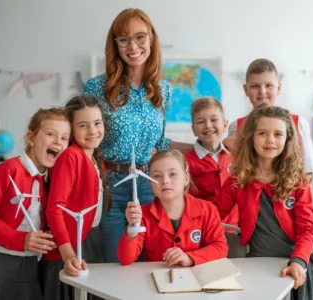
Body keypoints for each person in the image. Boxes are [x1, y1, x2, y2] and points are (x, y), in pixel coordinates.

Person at [83, 8, 191, 262]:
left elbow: (160, 143)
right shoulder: (96, 87)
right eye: (124, 39)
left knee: (150, 261)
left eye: (140, 37)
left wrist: (204, 147)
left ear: (151, 39)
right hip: (109, 184)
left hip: (148, 184)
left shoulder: (162, 89)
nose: (133, 46)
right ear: (116, 45)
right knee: (115, 263)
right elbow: (82, 138)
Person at [217, 105, 313, 299]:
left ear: (287, 140)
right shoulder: (238, 180)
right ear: (251, 137)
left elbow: (307, 229)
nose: (270, 140)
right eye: (263, 133)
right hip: (257, 265)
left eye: (278, 134)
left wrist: (298, 261)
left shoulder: (298, 181)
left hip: (296, 264)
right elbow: (212, 215)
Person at [0, 108, 70, 300]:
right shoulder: (6, 170)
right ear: (31, 138)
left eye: (64, 138)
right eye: (51, 134)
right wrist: (20, 239)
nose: (58, 142)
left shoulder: (47, 181)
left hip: (27, 263)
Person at [225, 59, 313, 244]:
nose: (262, 91)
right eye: (255, 86)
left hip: (291, 212)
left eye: (268, 85)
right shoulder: (236, 127)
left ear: (278, 88)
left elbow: (311, 173)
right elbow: (236, 177)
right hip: (255, 219)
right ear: (246, 89)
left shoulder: (297, 123)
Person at [39, 95, 109, 300]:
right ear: (71, 129)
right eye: (83, 125)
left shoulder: (95, 157)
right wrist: (68, 253)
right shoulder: (71, 156)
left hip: (90, 237)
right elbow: (54, 208)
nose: (93, 131)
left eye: (97, 123)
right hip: (70, 243)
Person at [117, 149, 228, 266]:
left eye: (173, 174)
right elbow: (125, 259)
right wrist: (132, 227)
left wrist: (190, 258)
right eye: (157, 176)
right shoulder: (143, 214)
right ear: (150, 183)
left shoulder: (207, 209)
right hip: (157, 278)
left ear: (186, 178)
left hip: (194, 277)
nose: (165, 181)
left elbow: (220, 247)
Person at [184, 97, 238, 228]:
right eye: (201, 122)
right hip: (203, 228)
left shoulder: (235, 157)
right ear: (194, 130)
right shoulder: (185, 162)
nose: (208, 125)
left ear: (225, 125)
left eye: (214, 120)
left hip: (235, 229)